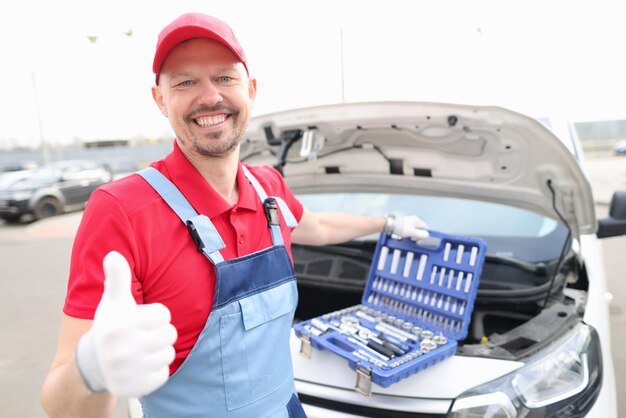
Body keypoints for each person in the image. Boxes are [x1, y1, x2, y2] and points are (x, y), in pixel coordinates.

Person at [40, 12, 428, 418]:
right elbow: (60, 404)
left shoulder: (269, 189)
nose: (209, 97)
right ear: (160, 99)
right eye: (185, 81)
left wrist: (388, 224)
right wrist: (92, 371)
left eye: (225, 77)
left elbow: (320, 226)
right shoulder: (122, 209)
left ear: (251, 89)